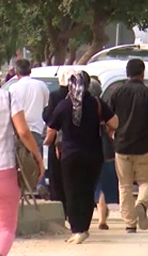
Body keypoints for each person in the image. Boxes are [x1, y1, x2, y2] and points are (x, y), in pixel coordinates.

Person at [0, 52, 44, 256]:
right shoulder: (8, 96)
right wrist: (37, 157)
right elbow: (23, 131)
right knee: (5, 227)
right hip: (3, 171)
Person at [45, 71, 118, 244]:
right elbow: (114, 123)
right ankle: (84, 228)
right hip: (93, 154)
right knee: (87, 191)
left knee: (72, 191)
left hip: (69, 155)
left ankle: (76, 229)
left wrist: (48, 142)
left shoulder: (63, 105)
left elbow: (51, 130)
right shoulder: (96, 103)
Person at [109, 59, 148, 233]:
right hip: (143, 146)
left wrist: (112, 137)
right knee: (146, 182)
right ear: (143, 73)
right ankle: (141, 204)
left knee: (124, 186)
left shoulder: (117, 93)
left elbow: (109, 121)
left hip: (122, 146)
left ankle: (129, 223)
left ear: (127, 73)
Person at [9, 59, 50, 189]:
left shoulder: (12, 88)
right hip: (37, 128)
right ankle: (39, 184)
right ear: (30, 70)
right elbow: (46, 105)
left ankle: (22, 186)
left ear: (16, 71)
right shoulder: (41, 86)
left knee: (19, 160)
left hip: (18, 129)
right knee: (37, 157)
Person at [88, 77, 119, 230]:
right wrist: (108, 131)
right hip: (105, 147)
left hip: (89, 147)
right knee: (102, 181)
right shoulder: (102, 105)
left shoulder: (82, 105)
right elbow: (114, 124)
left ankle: (101, 215)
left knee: (95, 184)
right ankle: (102, 214)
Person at [43, 67, 74, 218]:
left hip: (56, 140)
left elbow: (49, 116)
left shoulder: (55, 96)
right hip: (74, 141)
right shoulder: (79, 95)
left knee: (56, 176)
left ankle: (59, 209)